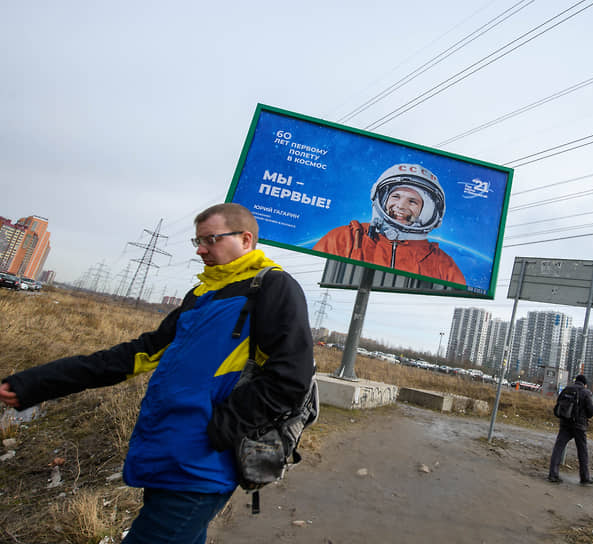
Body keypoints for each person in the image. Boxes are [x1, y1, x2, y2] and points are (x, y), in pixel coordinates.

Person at [0, 203, 314, 544]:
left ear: (246, 239)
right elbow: (130, 356)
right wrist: (34, 384)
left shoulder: (273, 288)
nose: (200, 249)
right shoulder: (201, 296)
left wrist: (220, 429)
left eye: (210, 239)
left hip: (203, 464)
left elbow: (290, 379)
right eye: (197, 240)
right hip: (166, 450)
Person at [314, 163, 466, 285]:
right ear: (381, 198)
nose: (401, 206)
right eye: (396, 196)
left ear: (426, 212)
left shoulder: (443, 265)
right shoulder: (346, 238)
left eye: (412, 201)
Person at [547, 374, 593, 485]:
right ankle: (585, 477)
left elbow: (558, 404)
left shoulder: (566, 389)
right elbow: (591, 411)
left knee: (558, 448)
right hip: (579, 426)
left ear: (576, 381)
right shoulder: (586, 392)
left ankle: (553, 474)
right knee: (582, 451)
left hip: (565, 423)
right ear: (585, 384)